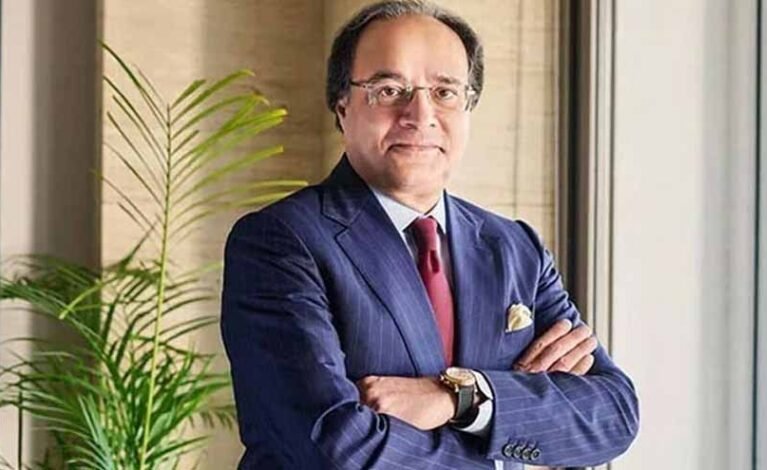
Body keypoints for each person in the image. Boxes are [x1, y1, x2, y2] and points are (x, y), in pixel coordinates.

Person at [220, 1, 639, 469]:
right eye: (389, 90)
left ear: (468, 106)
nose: (420, 115)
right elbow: (336, 445)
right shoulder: (280, 242)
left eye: (445, 92)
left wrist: (463, 398)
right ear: (342, 106)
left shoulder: (515, 249)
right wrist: (514, 433)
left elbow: (613, 415)